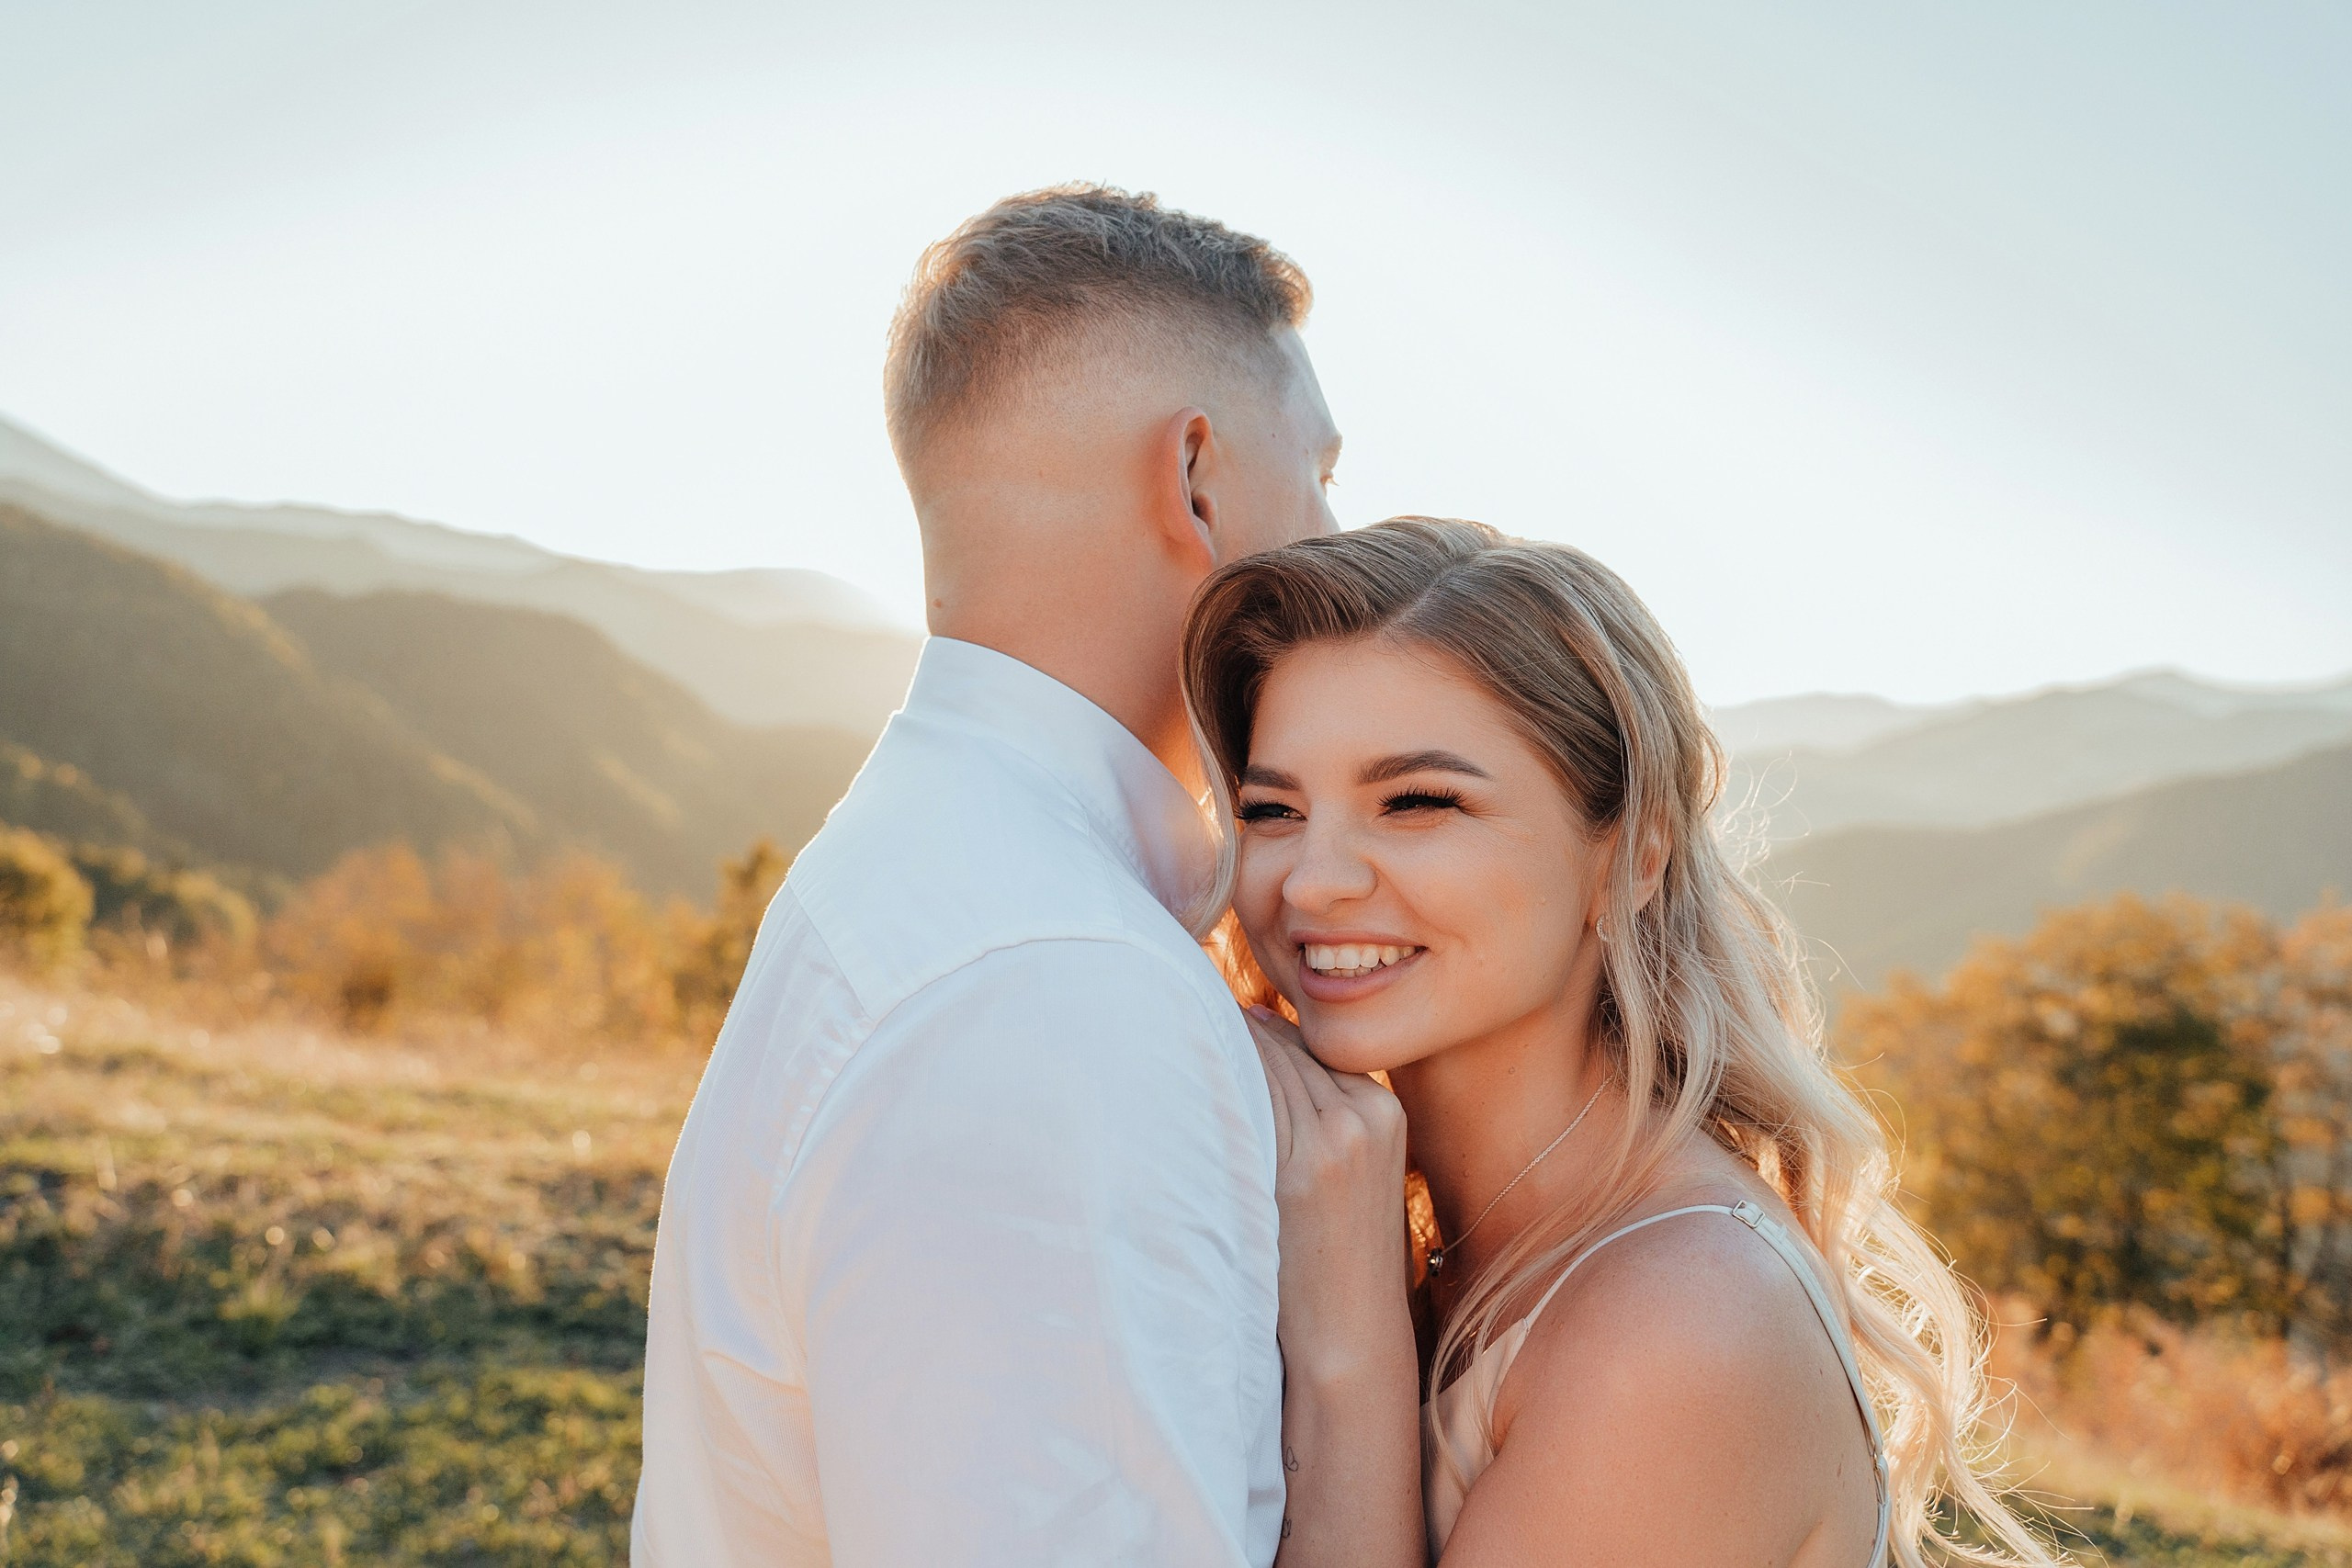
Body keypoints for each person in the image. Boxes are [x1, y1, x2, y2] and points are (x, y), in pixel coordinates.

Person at [631, 185, 1341, 1566]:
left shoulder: (943, 872)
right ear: (1196, 477)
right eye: (1319, 473)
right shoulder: (1054, 983)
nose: (1336, 536)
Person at [1181, 517, 2057, 1566]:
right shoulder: (1412, 1220)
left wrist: (1347, 1351)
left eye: (1415, 802)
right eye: (1272, 810)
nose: (1315, 881)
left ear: (1633, 852)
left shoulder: (1680, 1320)